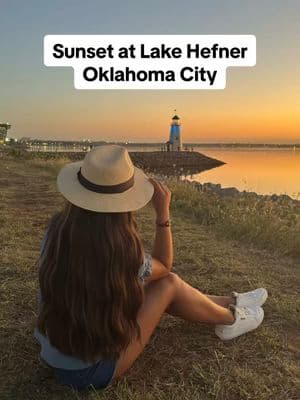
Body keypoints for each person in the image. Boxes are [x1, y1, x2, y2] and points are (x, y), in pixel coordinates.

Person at [34, 144, 267, 391]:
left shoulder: (57, 229)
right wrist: (163, 214)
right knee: (168, 283)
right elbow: (164, 267)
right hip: (90, 372)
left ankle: (229, 301)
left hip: (53, 351)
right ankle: (231, 319)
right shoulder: (122, 252)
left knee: (160, 281)